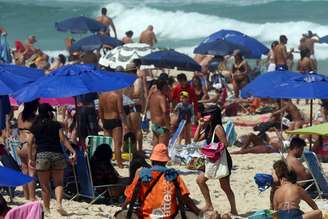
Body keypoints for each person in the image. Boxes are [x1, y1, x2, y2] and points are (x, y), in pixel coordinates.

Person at [123, 143, 200, 218]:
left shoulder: (142, 174)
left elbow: (130, 196)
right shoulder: (173, 175)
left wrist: (123, 208)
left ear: (152, 159)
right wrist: (197, 212)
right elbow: (185, 198)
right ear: (166, 161)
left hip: (146, 216)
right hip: (169, 216)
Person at [27, 103, 76, 215]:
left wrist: (30, 158)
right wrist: (72, 151)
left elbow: (29, 142)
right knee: (58, 183)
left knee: (45, 185)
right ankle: (58, 204)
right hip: (57, 154)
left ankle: (47, 209)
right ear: (49, 113)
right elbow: (63, 140)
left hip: (42, 155)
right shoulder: (56, 125)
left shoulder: (35, 126)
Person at [194, 106, 238, 215]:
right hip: (212, 159)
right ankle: (209, 205)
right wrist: (200, 125)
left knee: (225, 187)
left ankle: (234, 210)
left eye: (207, 114)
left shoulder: (217, 127)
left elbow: (225, 144)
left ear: (213, 116)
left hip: (222, 160)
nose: (205, 116)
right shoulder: (209, 127)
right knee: (200, 180)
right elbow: (195, 139)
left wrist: (213, 148)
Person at [17, 99, 39, 201]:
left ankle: (26, 195)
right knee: (32, 171)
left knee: (24, 170)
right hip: (29, 145)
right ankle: (32, 197)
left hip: (19, 145)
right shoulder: (34, 117)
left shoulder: (20, 115)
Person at [99, 90, 127, 168]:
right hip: (115, 121)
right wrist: (124, 124)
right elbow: (120, 111)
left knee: (107, 145)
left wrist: (103, 122)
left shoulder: (101, 95)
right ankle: (119, 164)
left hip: (106, 120)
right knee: (117, 145)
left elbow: (100, 111)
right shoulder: (117, 95)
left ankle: (106, 163)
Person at [149, 79, 170, 146]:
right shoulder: (162, 97)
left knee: (155, 146)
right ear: (163, 87)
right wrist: (168, 125)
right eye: (166, 86)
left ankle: (151, 157)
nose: (167, 88)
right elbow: (164, 112)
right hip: (161, 126)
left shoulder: (153, 96)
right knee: (162, 148)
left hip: (154, 124)